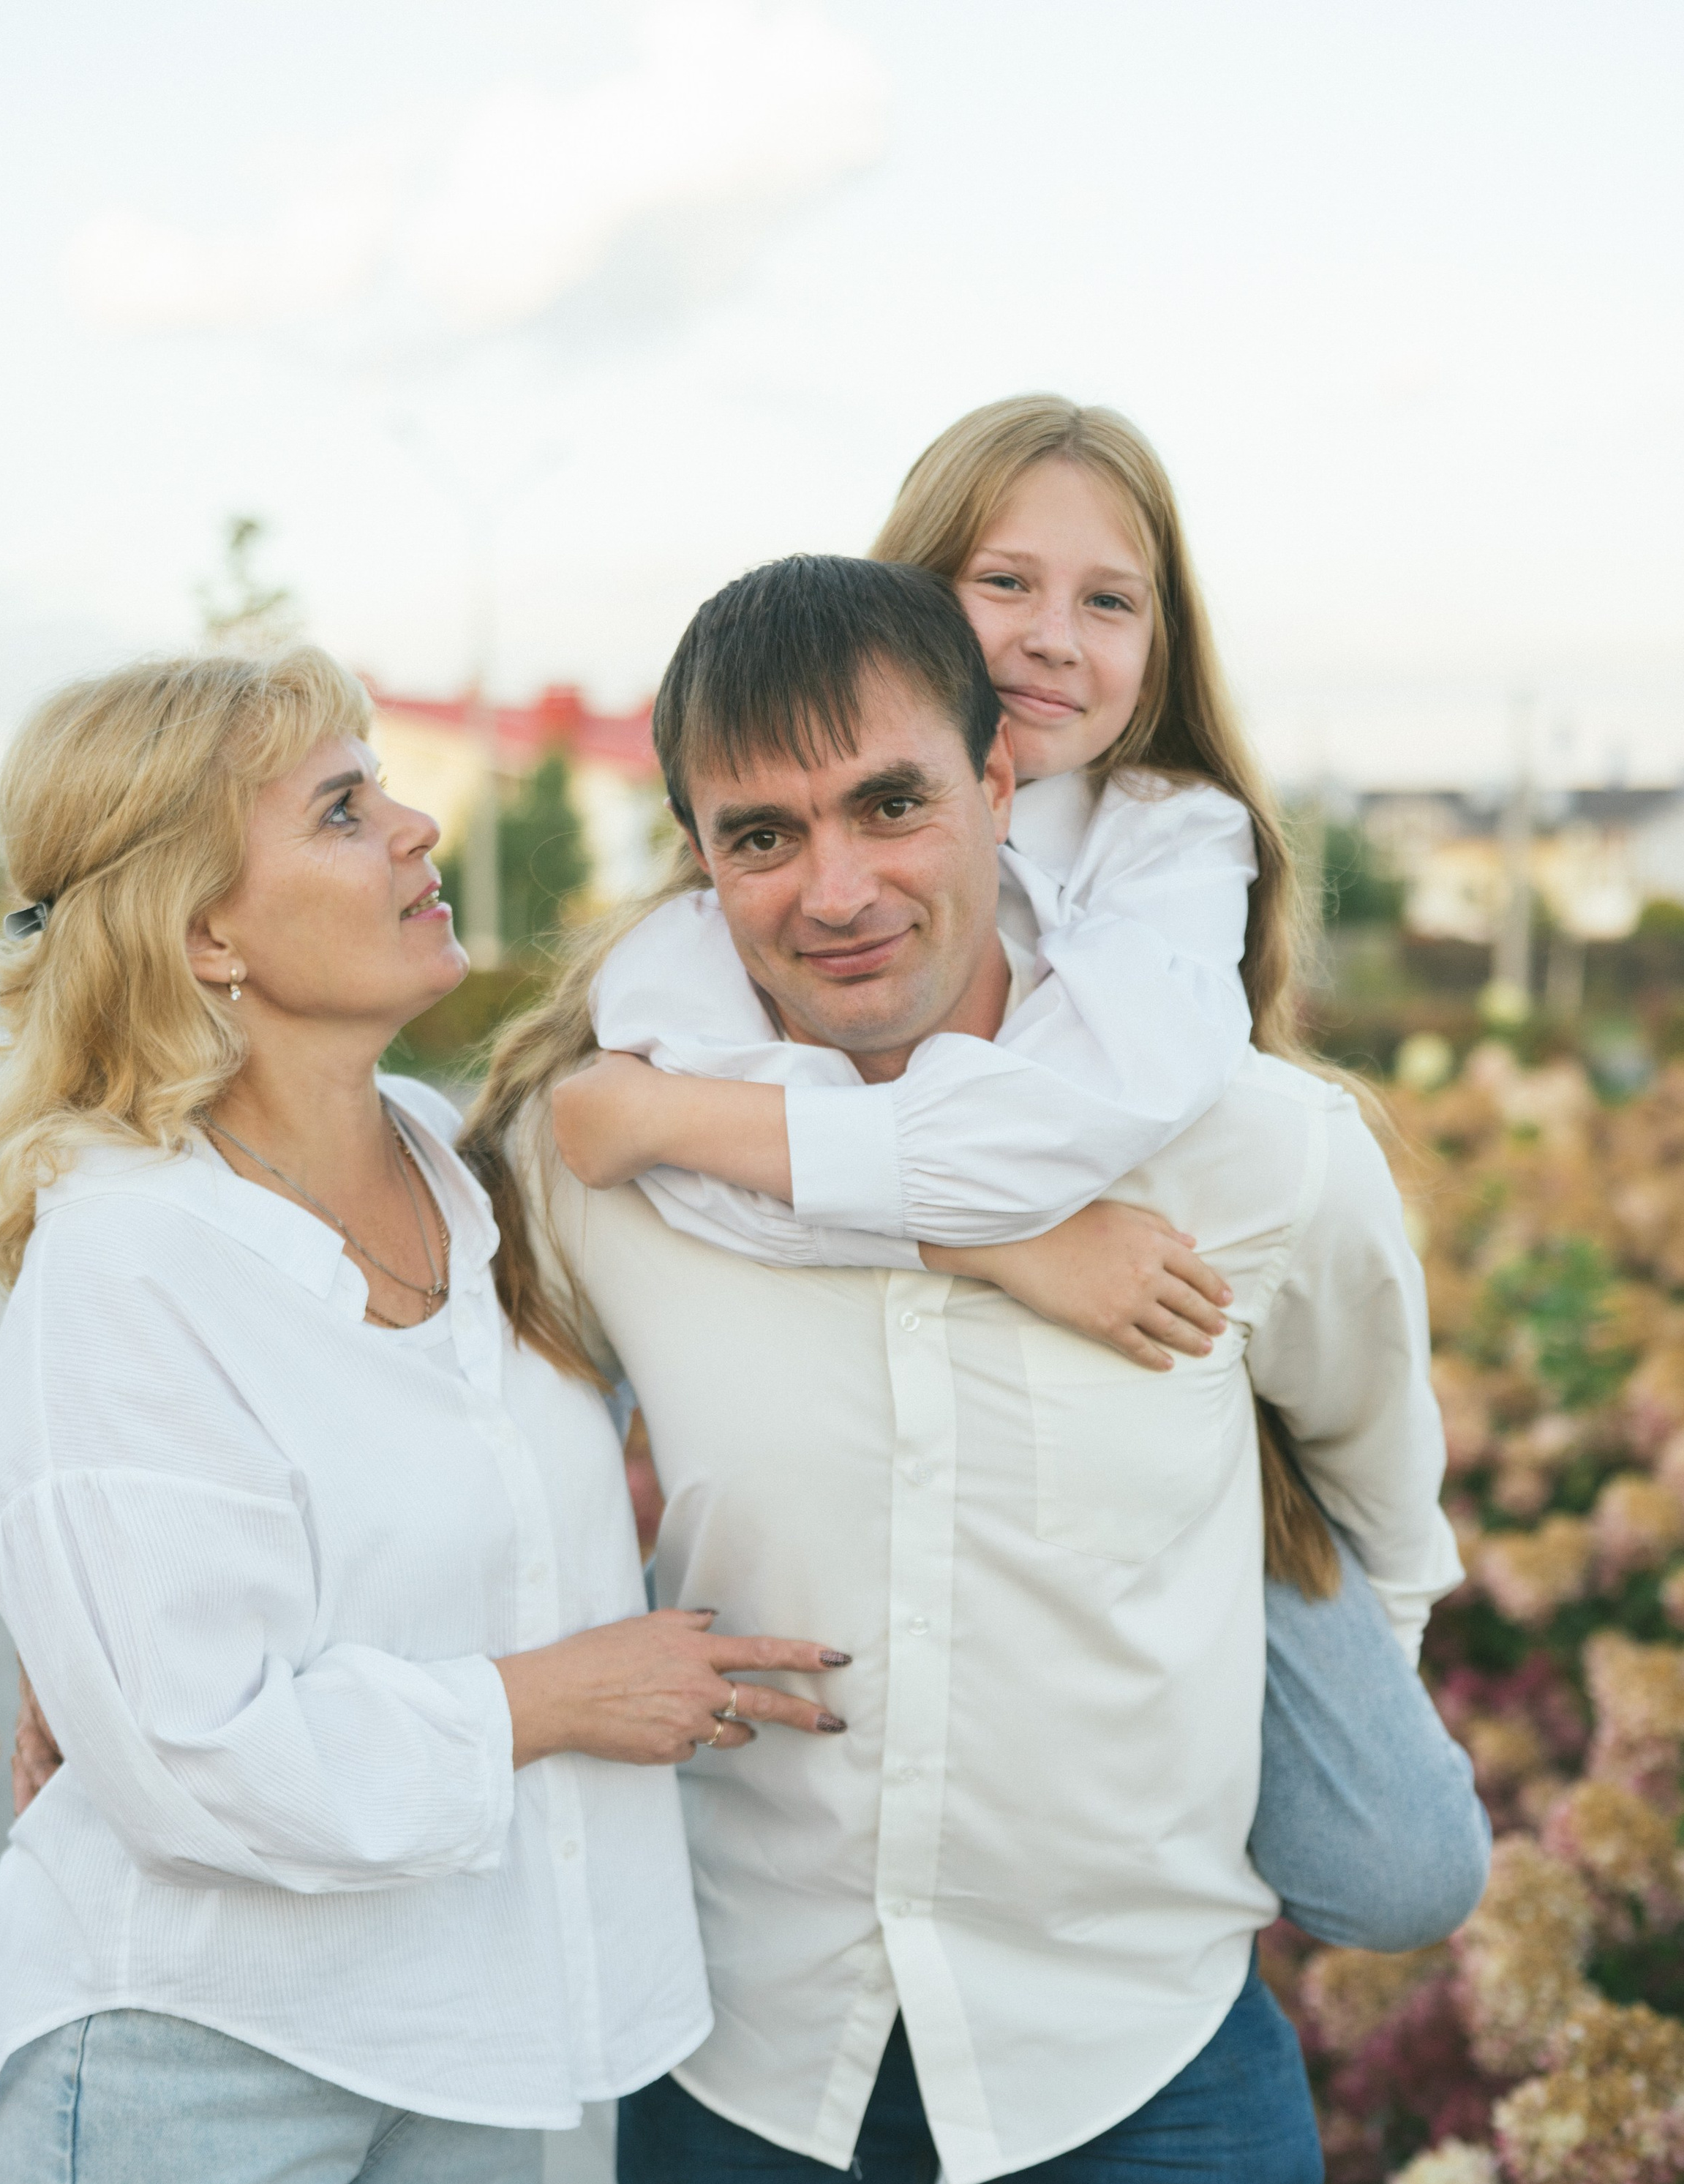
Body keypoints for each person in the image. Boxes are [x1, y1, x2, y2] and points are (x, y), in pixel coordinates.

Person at [463, 552, 1465, 2184]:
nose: (837, 885)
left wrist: (1265, 1755)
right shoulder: (607, 1155)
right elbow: (379, 1392)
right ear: (698, 853)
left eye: (892, 802)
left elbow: (1386, 1512)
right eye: (761, 833)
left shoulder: (1256, 1150)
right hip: (762, 1999)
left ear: (1011, 763)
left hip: (1133, 1999)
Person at [0, 646, 847, 2184]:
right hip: (186, 2057)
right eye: (346, 805)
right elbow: (195, 1747)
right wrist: (558, 1696)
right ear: (208, 928)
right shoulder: (131, 1256)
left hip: (452, 2034)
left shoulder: (465, 1176)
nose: (420, 826)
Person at [550, 396, 1486, 1954]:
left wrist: (681, 1124)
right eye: (1004, 586)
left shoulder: (1173, 842)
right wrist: (999, 1249)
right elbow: (693, 1182)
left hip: (1199, 1407)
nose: (1053, 637)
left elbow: (1065, 1122)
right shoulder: (755, 884)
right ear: (914, 597)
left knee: (1404, 1863)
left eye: (1107, 601)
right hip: (838, 1743)